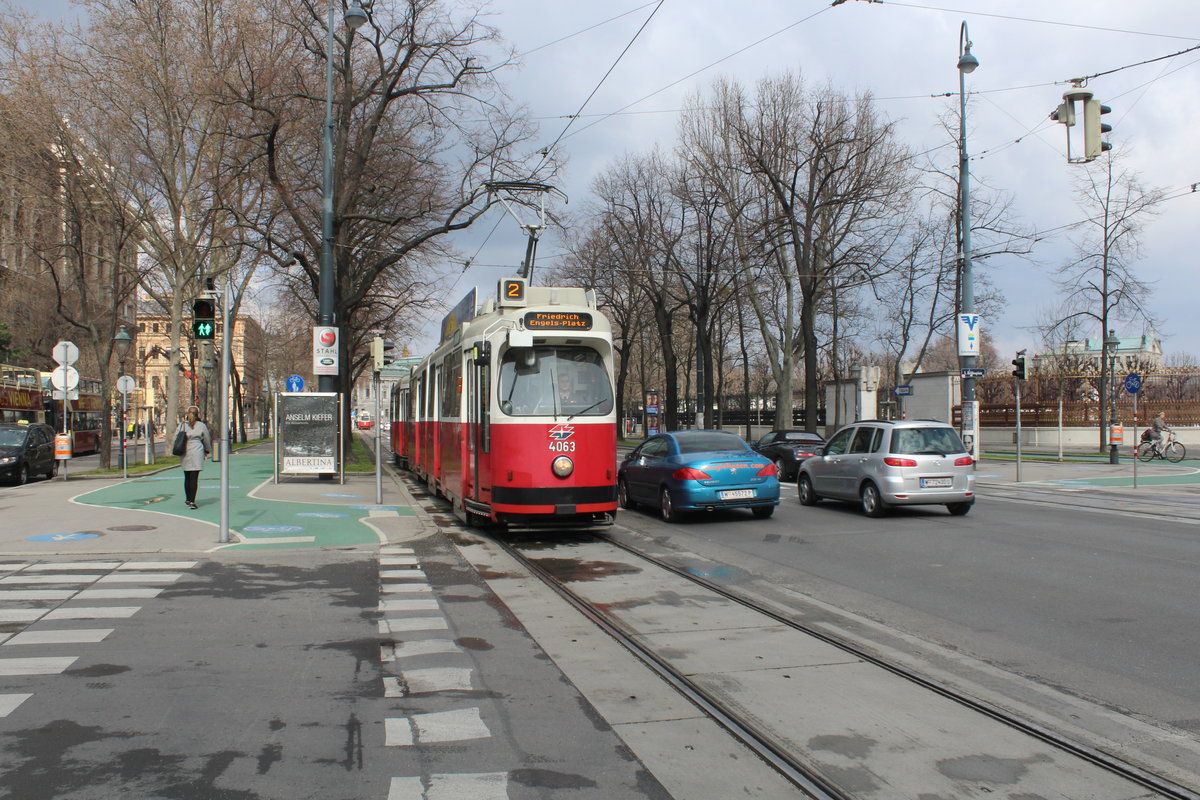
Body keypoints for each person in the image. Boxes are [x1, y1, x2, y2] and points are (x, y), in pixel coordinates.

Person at [177, 405, 211, 509]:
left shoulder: (182, 425)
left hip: (185, 451)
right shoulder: (201, 425)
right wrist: (207, 449)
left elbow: (176, 437)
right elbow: (206, 438)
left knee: (187, 476)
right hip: (197, 451)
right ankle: (192, 501)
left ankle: (188, 498)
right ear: (197, 414)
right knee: (194, 478)